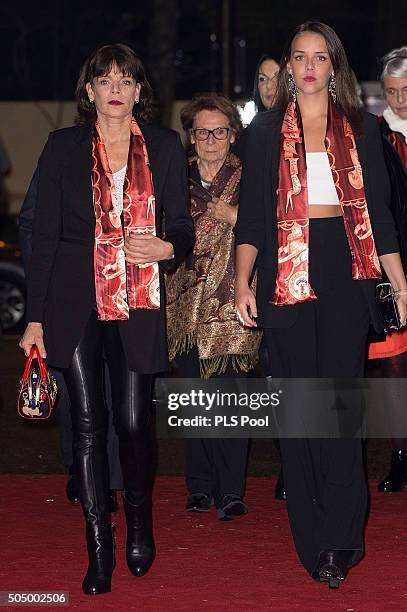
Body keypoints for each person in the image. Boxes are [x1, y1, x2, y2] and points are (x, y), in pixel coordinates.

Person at [234, 21, 407, 588]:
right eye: (298, 57)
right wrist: (241, 283)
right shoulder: (262, 133)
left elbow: (380, 214)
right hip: (282, 273)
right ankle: (311, 537)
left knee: (336, 411)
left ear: (334, 66)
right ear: (288, 66)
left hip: (344, 270)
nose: (308, 66)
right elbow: (255, 220)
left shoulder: (361, 126)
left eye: (319, 57)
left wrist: (400, 283)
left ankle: (340, 539)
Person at [19, 43, 193, 595]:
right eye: (104, 79)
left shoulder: (164, 146)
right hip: (73, 300)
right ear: (89, 91)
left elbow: (184, 226)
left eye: (126, 79)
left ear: (139, 91)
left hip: (139, 299)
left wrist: (167, 248)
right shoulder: (62, 147)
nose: (115, 87)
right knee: (88, 430)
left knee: (135, 424)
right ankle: (100, 550)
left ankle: (139, 522)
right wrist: (35, 319)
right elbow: (44, 235)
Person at [165, 94, 261, 519]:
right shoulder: (174, 179)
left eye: (219, 131)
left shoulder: (251, 179)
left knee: (231, 401)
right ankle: (200, 486)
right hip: (184, 304)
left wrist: (234, 215)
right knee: (194, 399)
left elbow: (274, 227)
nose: (209, 139)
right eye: (201, 131)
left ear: (233, 136)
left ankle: (231, 491)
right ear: (190, 136)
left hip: (234, 302)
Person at [19, 170, 123, 510]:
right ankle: (80, 469)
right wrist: (44, 288)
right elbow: (32, 223)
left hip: (120, 294)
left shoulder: (138, 154)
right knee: (74, 393)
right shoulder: (62, 156)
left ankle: (105, 477)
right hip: (66, 296)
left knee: (112, 389)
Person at [368, 47, 407, 492]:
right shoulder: (375, 135)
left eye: (405, 91)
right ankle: (400, 454)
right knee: (396, 364)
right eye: (391, 92)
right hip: (392, 258)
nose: (398, 100)